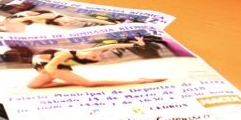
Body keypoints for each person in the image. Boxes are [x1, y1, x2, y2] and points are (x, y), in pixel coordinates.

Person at [27, 38, 164, 89]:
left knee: (89, 84)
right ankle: (73, 81)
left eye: (95, 57)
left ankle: (138, 81)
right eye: (95, 56)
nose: (96, 55)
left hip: (52, 67)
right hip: (47, 66)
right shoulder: (81, 52)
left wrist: (51, 66)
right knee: (33, 85)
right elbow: (103, 47)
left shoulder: (76, 54)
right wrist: (133, 44)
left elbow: (61, 55)